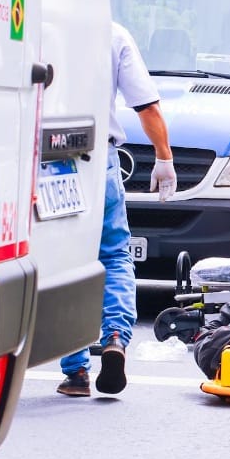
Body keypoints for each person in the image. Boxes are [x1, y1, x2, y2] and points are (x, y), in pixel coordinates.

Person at [58, 22, 178, 397]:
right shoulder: (112, 34)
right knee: (113, 253)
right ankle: (114, 338)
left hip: (49, 155)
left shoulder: (38, 22)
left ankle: (76, 371)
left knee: (66, 260)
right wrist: (164, 157)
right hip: (99, 156)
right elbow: (146, 106)